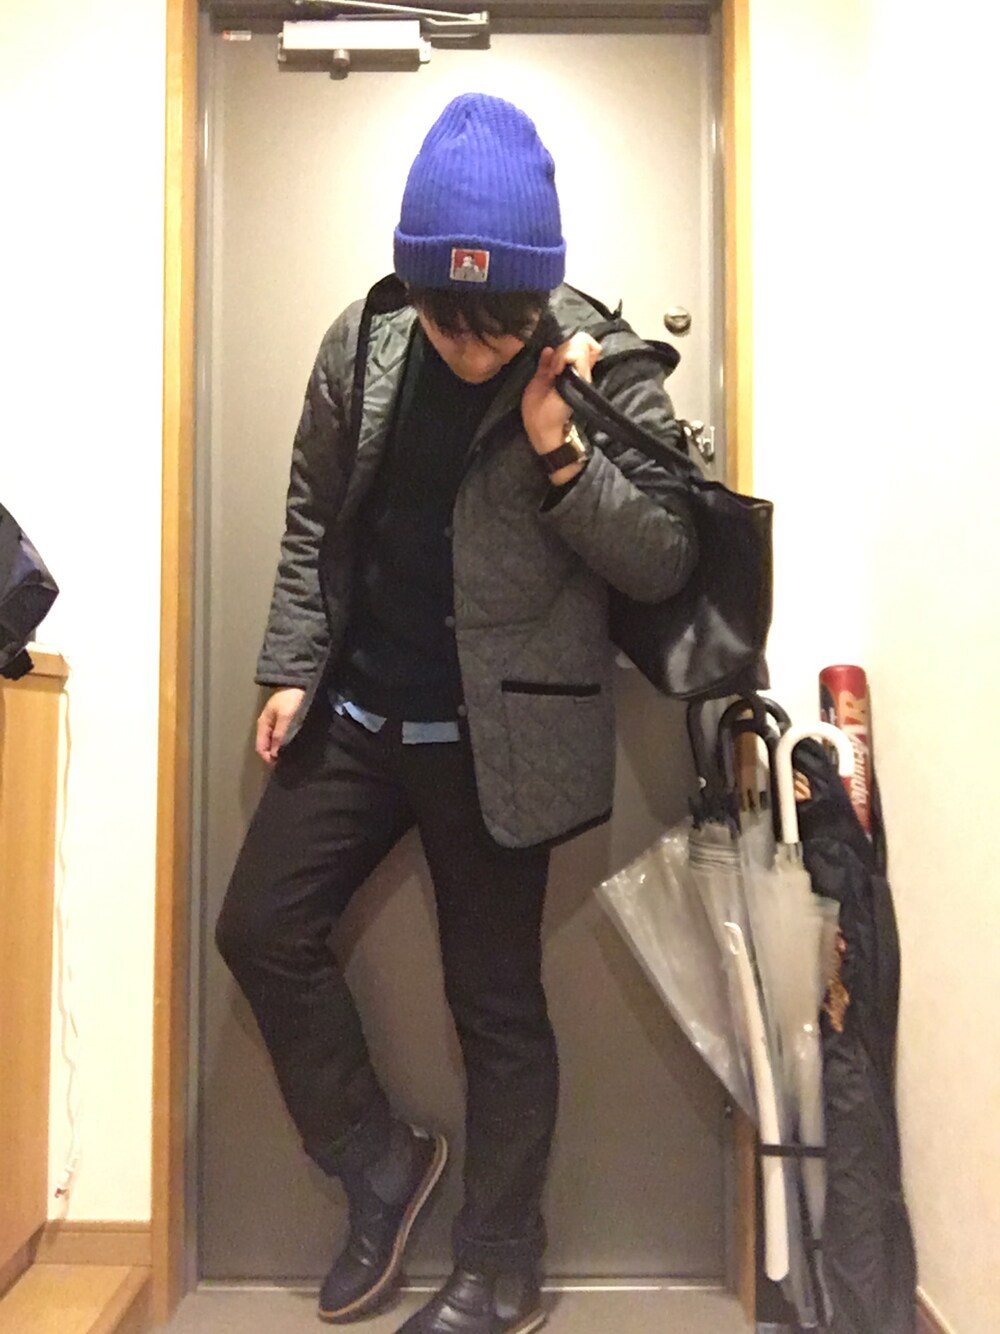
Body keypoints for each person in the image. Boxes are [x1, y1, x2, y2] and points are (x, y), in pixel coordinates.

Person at [216, 92, 697, 1333]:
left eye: (502, 325)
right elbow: (313, 513)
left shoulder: (606, 366)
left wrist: (560, 452)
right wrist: (291, 664)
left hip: (504, 744)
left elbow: (665, 559)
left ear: (541, 291)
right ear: (414, 284)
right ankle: (377, 1163)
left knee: (495, 1006)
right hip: (359, 719)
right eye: (449, 320)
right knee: (258, 927)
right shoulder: (364, 342)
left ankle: (499, 1263)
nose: (475, 350)